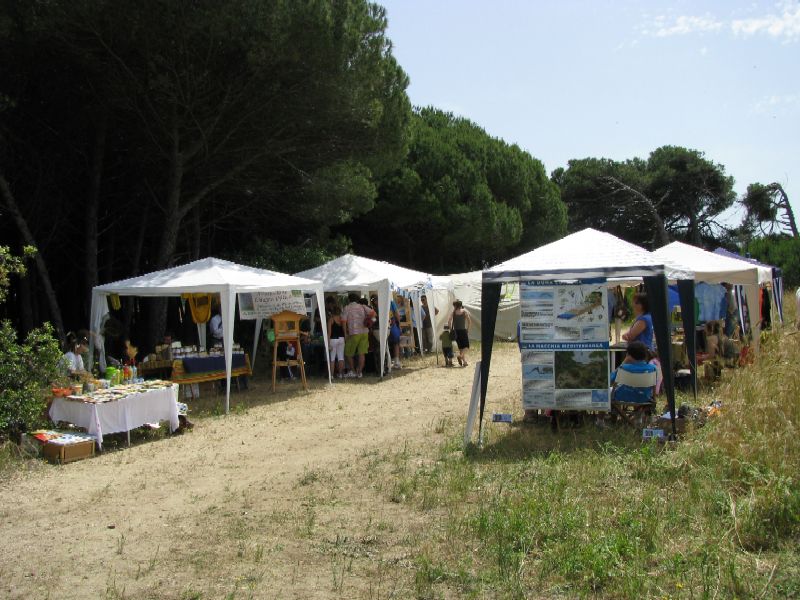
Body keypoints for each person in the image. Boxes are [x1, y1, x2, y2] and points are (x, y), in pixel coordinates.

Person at [342, 292, 376, 378]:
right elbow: (374, 314)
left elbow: (343, 322)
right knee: (362, 353)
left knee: (348, 353)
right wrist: (369, 320)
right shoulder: (363, 307)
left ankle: (352, 371)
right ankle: (360, 372)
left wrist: (345, 333)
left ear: (349, 299)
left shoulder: (347, 308)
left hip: (353, 332)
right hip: (364, 332)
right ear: (357, 299)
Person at [448, 300, 472, 367]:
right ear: (461, 305)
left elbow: (449, 321)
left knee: (461, 347)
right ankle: (461, 356)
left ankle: (464, 362)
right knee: (466, 346)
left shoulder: (453, 312)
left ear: (455, 306)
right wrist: (467, 329)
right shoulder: (464, 311)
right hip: (463, 331)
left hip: (456, 331)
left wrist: (451, 329)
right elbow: (469, 321)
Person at [327, 304, 347, 379]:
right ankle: (341, 375)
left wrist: (328, 343)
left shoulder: (331, 319)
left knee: (332, 358)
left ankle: (331, 375)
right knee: (341, 357)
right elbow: (344, 330)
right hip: (341, 339)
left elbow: (329, 333)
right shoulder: (342, 319)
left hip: (333, 339)